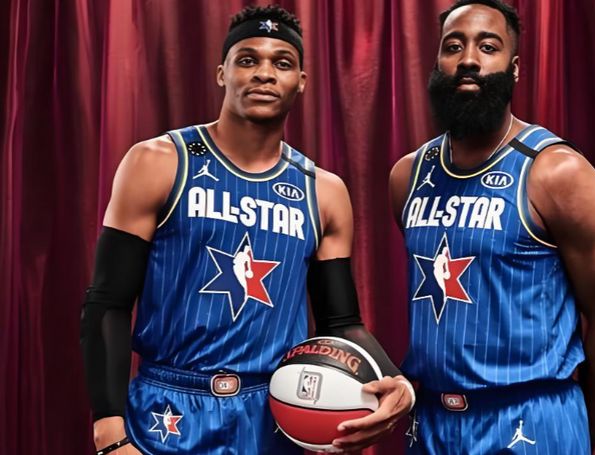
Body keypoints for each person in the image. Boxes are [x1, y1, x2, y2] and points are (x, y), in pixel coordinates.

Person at [80, 5, 413, 454]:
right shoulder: (159, 161)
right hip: (167, 408)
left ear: (301, 81)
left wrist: (394, 381)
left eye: (282, 62)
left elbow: (340, 322)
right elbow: (108, 301)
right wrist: (109, 431)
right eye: (248, 59)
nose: (264, 73)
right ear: (222, 73)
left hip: (268, 415)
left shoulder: (323, 191)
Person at [388, 0, 595, 453]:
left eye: (488, 47)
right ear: (437, 62)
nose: (469, 59)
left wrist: (573, 431)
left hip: (531, 422)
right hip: (433, 424)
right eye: (454, 46)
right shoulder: (409, 175)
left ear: (515, 68)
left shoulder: (556, 172)